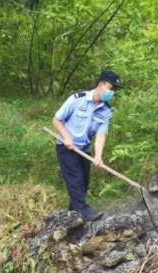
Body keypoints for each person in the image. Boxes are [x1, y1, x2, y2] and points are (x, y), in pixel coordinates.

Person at [51, 69, 122, 222]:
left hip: (84, 149)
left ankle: (71, 216)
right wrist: (67, 138)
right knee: (75, 180)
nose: (112, 93)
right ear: (101, 85)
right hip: (66, 147)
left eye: (114, 90)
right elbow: (56, 120)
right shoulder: (77, 99)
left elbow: (101, 135)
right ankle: (84, 212)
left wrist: (98, 156)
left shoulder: (106, 111)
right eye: (111, 88)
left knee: (83, 184)